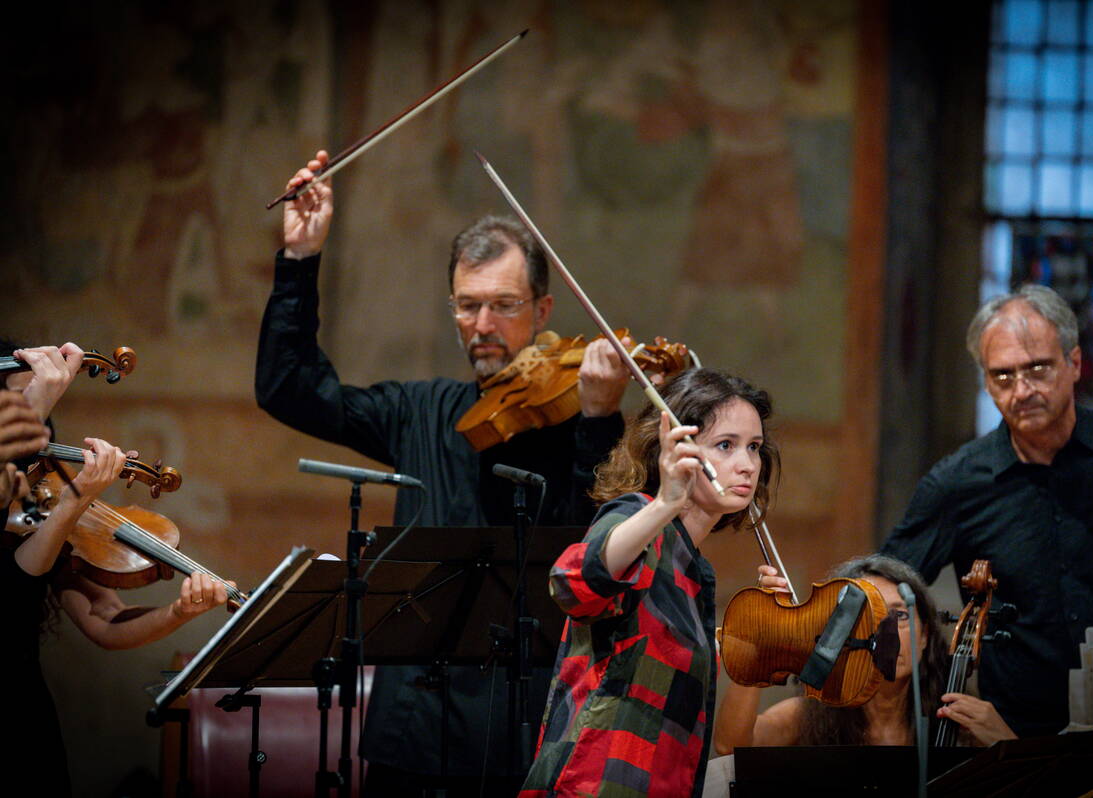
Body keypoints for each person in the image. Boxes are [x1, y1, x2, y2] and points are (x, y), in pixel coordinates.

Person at [255, 151, 632, 793]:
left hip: (530, 728)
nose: (482, 326)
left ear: (542, 312)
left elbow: (600, 549)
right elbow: (289, 387)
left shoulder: (579, 420)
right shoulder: (420, 411)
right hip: (415, 730)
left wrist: (597, 419)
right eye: (467, 306)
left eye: (503, 305)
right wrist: (299, 259)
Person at [881, 284, 1093, 737]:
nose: (1022, 390)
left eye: (1037, 368)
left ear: (1074, 364)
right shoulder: (956, 483)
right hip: (1013, 739)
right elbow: (886, 587)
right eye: (1003, 376)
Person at [519, 368, 779, 798]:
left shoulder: (694, 569)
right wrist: (664, 503)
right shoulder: (636, 518)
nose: (747, 465)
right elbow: (573, 584)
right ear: (675, 450)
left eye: (753, 448)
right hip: (593, 785)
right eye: (725, 446)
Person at [1, 343, 228, 797]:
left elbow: (104, 621)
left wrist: (179, 614)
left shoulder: (43, 506)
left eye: (37, 412)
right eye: (19, 406)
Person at [712, 554, 1014, 755]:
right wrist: (760, 637)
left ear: (924, 637)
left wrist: (1006, 745)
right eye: (867, 615)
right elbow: (731, 747)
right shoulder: (807, 715)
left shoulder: (961, 721)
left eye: (900, 616)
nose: (887, 635)